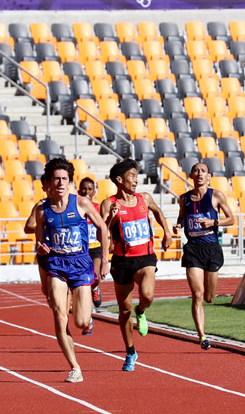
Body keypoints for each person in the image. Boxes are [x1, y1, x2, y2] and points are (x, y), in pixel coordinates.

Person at [34, 158, 109, 383]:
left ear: (70, 182)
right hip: (56, 264)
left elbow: (103, 228)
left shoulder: (82, 203)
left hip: (81, 265)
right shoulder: (41, 210)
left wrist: (105, 259)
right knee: (59, 316)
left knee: (80, 321)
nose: (60, 183)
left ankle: (84, 301)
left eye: (64, 179)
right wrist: (41, 247)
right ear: (48, 182)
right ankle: (75, 367)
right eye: (56, 179)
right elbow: (39, 243)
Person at [101, 158, 172, 372]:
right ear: (119, 179)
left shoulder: (145, 198)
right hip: (122, 261)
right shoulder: (109, 203)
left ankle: (141, 310)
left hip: (145, 258)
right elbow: (101, 232)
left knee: (148, 295)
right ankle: (131, 352)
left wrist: (166, 232)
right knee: (123, 311)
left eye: (136, 175)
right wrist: (110, 220)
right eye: (132, 176)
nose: (136, 180)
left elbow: (158, 212)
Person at [173, 162, 235, 351]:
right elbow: (182, 217)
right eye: (196, 171)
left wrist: (213, 222)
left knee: (209, 297)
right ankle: (202, 336)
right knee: (197, 294)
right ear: (191, 175)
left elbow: (231, 219)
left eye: (203, 171)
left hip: (211, 249)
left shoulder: (216, 195)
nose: (200, 174)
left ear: (209, 175)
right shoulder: (184, 199)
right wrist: (178, 226)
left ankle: (205, 312)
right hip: (193, 249)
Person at [78, 176, 104, 309]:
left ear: (94, 192)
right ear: (79, 191)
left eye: (89, 189)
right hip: (80, 249)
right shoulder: (75, 208)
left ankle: (95, 289)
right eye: (84, 188)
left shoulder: (98, 208)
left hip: (95, 247)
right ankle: (86, 306)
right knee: (83, 280)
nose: (86, 191)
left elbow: (103, 227)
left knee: (95, 276)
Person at [24, 173, 51, 302]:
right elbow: (28, 227)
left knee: (63, 288)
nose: (52, 188)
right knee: (47, 290)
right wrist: (44, 228)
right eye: (48, 186)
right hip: (44, 252)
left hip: (62, 251)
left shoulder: (68, 204)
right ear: (44, 188)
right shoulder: (40, 206)